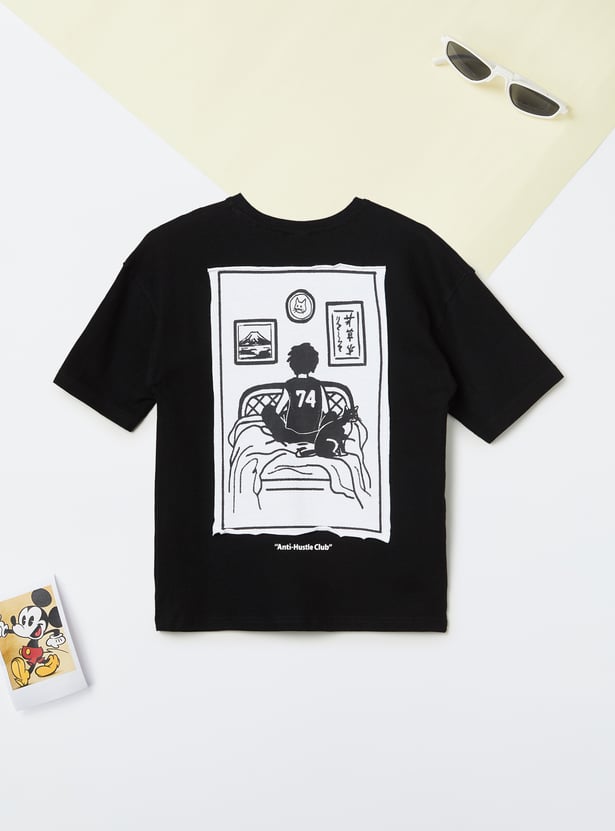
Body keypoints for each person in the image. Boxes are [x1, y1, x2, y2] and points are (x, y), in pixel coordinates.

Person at [261, 343, 335, 443]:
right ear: (313, 364)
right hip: (314, 435)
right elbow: (326, 411)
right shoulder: (318, 385)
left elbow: (278, 410)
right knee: (332, 415)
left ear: (293, 364)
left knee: (268, 410)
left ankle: (280, 436)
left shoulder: (289, 385)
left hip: (291, 435)